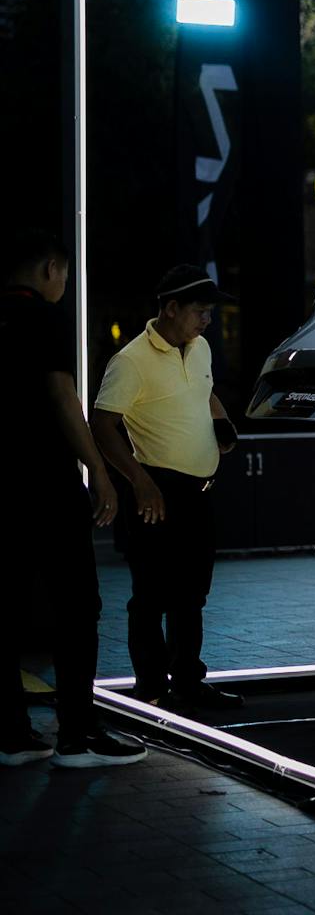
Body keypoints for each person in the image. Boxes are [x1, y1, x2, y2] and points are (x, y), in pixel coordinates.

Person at [0, 229, 146, 767]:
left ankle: (12, 735)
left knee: (7, 607)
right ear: (50, 269)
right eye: (64, 273)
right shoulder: (43, 318)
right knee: (77, 606)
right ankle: (78, 735)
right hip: (44, 483)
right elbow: (63, 399)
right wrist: (99, 472)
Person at [90, 265, 243, 715]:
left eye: (209, 313)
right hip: (157, 493)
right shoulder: (131, 361)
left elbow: (206, 393)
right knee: (151, 596)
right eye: (199, 312)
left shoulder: (199, 349)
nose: (206, 321)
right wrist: (140, 484)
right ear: (170, 309)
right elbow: (102, 423)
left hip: (199, 491)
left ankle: (189, 683)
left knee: (192, 593)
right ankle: (151, 688)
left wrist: (222, 425)